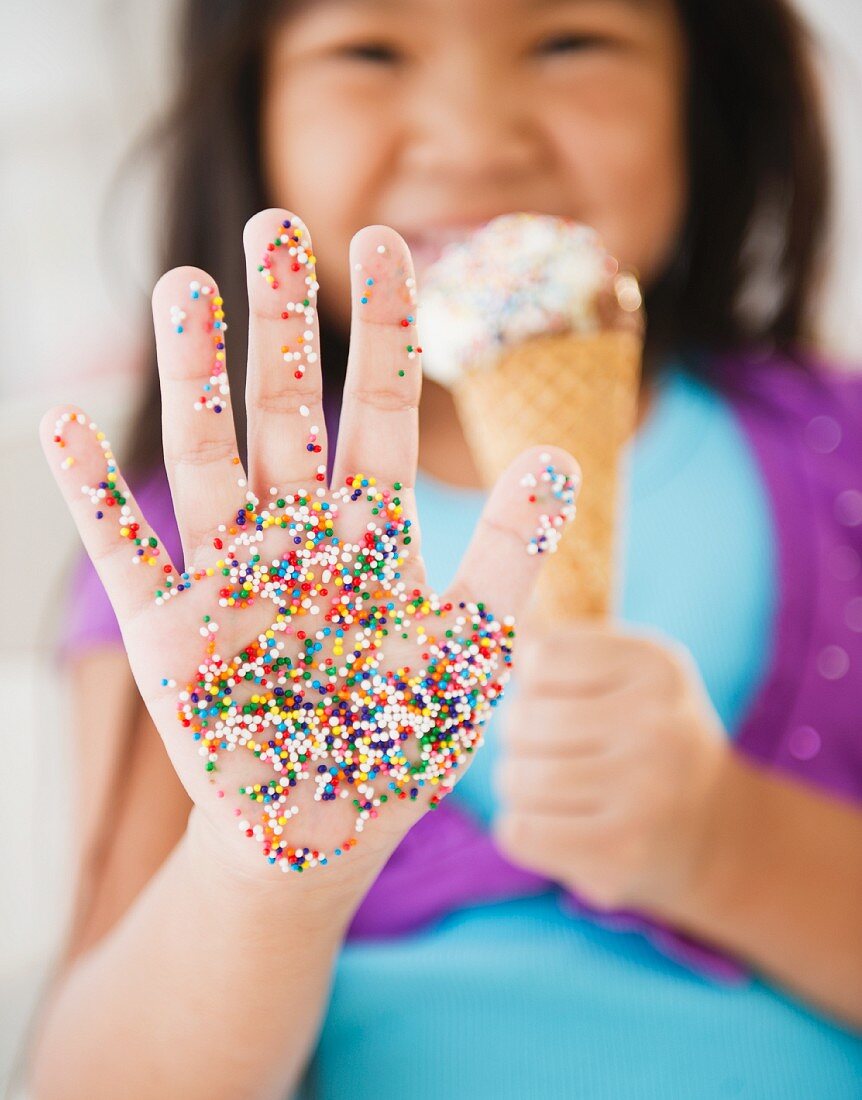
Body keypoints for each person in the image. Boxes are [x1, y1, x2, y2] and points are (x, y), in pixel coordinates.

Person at [26, 0, 862, 1097]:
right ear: (252, 109)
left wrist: (723, 840)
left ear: (707, 87)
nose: (472, 136)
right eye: (368, 50)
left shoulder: (836, 456)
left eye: (571, 41)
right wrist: (263, 877)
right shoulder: (202, 561)